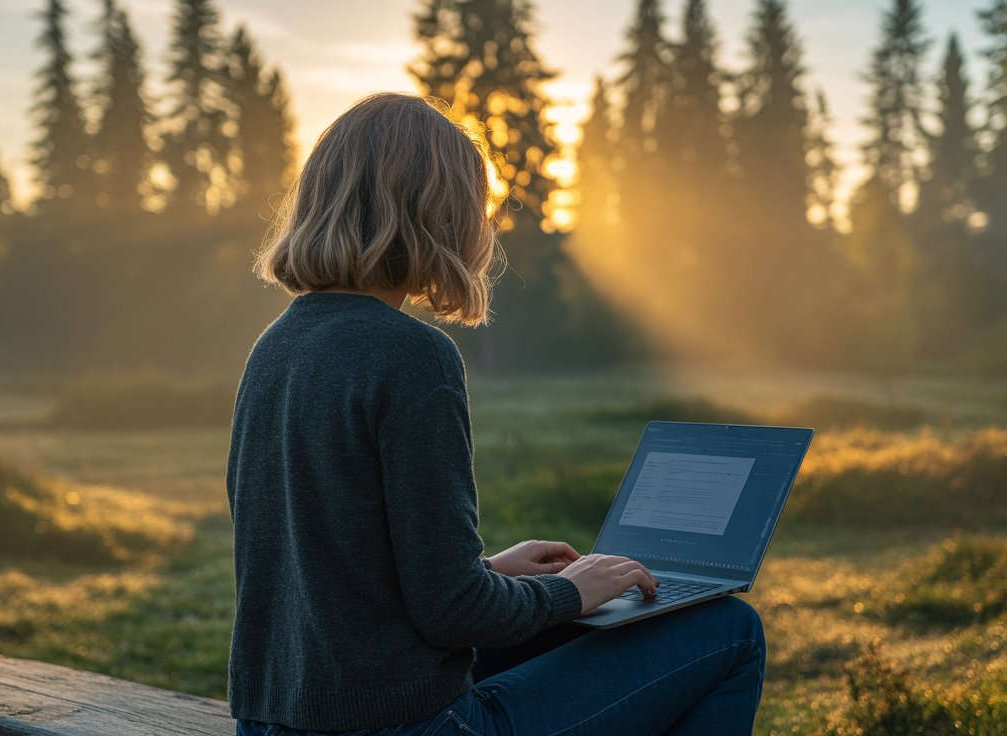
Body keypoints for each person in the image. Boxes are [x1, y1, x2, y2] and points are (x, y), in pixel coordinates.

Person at [227, 92, 766, 736]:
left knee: (585, 632)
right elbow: (454, 616)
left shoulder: (275, 346)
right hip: (405, 726)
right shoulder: (413, 356)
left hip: (273, 721)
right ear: (442, 213)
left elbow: (332, 563)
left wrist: (487, 573)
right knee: (729, 631)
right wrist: (574, 591)